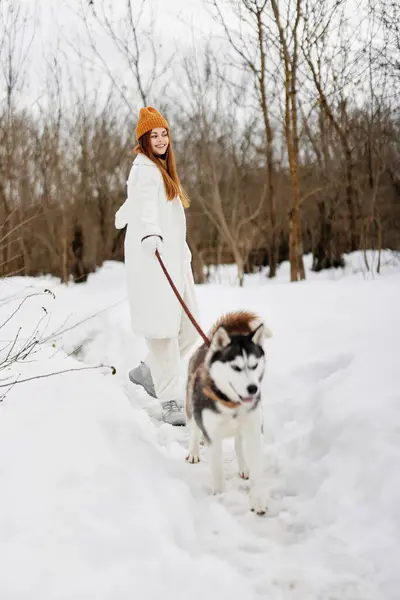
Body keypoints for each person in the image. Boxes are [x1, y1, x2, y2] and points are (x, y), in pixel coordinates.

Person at [115, 107, 199, 426]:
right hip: (155, 263)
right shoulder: (146, 170)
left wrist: (126, 213)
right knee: (163, 333)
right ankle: (169, 399)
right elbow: (147, 207)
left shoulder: (159, 169)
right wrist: (149, 233)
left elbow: (136, 201)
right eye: (155, 135)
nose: (161, 139)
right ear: (144, 139)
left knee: (189, 330)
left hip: (176, 264)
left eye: (164, 133)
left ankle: (148, 372)